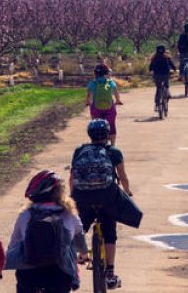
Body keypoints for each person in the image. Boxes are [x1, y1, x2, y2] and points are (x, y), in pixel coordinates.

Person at [70, 119, 141, 290]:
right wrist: (128, 191)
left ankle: (74, 263)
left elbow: (72, 177)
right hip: (106, 197)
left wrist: (73, 196)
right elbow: (122, 176)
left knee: (77, 229)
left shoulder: (80, 150)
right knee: (109, 232)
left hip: (83, 197)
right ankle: (110, 273)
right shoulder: (114, 152)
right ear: (108, 135)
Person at [5, 170, 88, 293]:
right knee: (69, 245)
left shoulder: (26, 214)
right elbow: (79, 236)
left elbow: (15, 243)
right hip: (59, 274)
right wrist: (84, 254)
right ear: (59, 192)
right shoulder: (69, 214)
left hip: (29, 274)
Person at [85, 64, 122, 144]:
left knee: (96, 126)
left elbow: (89, 96)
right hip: (109, 108)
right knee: (112, 126)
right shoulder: (110, 83)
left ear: (95, 73)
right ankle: (113, 145)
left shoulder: (93, 83)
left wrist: (88, 102)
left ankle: (96, 143)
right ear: (106, 73)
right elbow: (116, 93)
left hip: (96, 109)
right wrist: (118, 101)